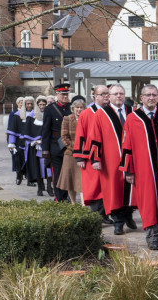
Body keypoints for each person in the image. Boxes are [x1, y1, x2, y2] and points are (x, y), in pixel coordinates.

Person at [120, 84, 158, 250]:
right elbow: (126, 145)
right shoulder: (133, 118)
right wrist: (128, 170)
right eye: (148, 95)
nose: (151, 98)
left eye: (154, 95)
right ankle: (152, 236)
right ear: (141, 98)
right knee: (148, 202)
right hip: (144, 170)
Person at [89, 84, 136, 235]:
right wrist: (95, 159)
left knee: (130, 190)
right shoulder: (101, 114)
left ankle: (128, 216)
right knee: (114, 191)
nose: (119, 96)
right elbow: (94, 137)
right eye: (115, 94)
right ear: (109, 97)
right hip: (111, 160)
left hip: (130, 159)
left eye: (121, 93)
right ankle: (117, 221)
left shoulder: (132, 112)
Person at [74, 85, 111, 222]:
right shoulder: (86, 113)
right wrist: (80, 157)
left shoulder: (110, 112)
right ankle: (96, 215)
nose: (106, 96)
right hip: (91, 157)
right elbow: (80, 135)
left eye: (108, 93)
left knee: (106, 186)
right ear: (95, 96)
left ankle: (105, 214)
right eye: (103, 94)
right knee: (94, 187)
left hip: (108, 157)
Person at [41, 84, 71, 201]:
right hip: (55, 146)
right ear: (57, 95)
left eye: (66, 94)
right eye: (63, 94)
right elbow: (46, 130)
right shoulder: (50, 109)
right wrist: (45, 149)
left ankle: (67, 195)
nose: (65, 96)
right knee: (58, 174)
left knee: (68, 173)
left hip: (69, 146)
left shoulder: (70, 108)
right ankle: (59, 198)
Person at [57, 97, 85, 203]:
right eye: (77, 107)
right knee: (70, 181)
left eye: (81, 107)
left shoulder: (86, 118)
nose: (79, 110)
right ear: (73, 108)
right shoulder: (67, 119)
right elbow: (64, 137)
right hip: (70, 154)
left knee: (81, 181)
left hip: (83, 154)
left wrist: (82, 150)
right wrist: (75, 149)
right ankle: (73, 203)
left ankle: (83, 204)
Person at [22, 96, 50, 196]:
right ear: (37, 105)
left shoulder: (48, 114)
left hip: (47, 145)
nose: (42, 106)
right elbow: (28, 130)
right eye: (40, 105)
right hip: (36, 146)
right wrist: (34, 141)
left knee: (48, 167)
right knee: (37, 167)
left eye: (44, 104)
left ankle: (49, 187)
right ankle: (40, 187)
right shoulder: (31, 116)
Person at [7, 98, 31, 186]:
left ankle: (29, 179)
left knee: (29, 160)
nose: (29, 106)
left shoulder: (33, 115)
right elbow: (11, 128)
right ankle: (19, 175)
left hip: (29, 141)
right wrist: (11, 142)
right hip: (18, 141)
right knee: (18, 159)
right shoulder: (16, 115)